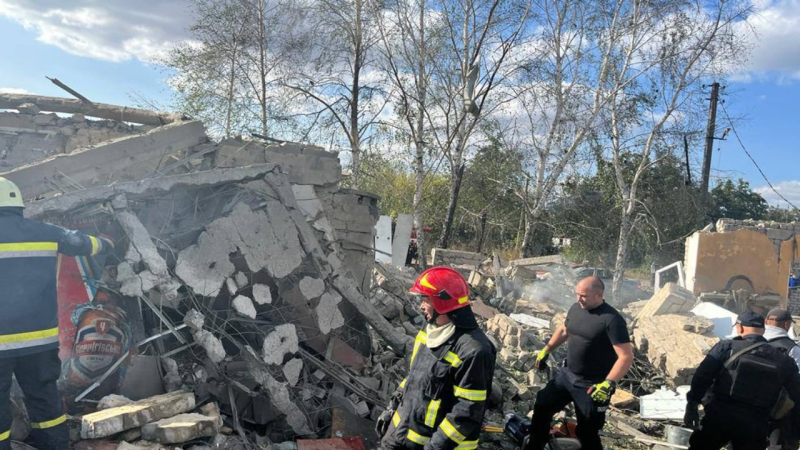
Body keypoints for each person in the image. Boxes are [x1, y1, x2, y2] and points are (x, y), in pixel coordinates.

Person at [0, 177, 114, 450]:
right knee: (44, 399)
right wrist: (107, 242)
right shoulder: (44, 231)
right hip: (39, 342)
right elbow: (85, 244)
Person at [377, 267, 496, 450]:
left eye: (425, 299)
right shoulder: (430, 331)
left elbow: (466, 413)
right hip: (400, 434)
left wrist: (434, 447)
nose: (420, 306)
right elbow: (414, 377)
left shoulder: (474, 351)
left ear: (443, 303)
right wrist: (392, 407)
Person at [524, 276, 634, 450]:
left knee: (587, 432)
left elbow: (626, 356)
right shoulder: (576, 308)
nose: (578, 299)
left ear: (599, 295)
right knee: (542, 406)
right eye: (577, 294)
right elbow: (564, 329)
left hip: (592, 385)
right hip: (567, 375)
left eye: (583, 296)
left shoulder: (612, 320)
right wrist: (547, 349)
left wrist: (609, 383)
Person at [684, 311, 800, 450]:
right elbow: (795, 394)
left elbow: (702, 377)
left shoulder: (726, 347)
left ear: (740, 328)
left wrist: (692, 404)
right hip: (756, 424)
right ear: (763, 330)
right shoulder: (784, 360)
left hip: (720, 417)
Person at [764, 309, 800, 450]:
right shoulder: (792, 348)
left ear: (766, 322)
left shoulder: (747, 342)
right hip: (780, 411)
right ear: (786, 325)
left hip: (749, 407)